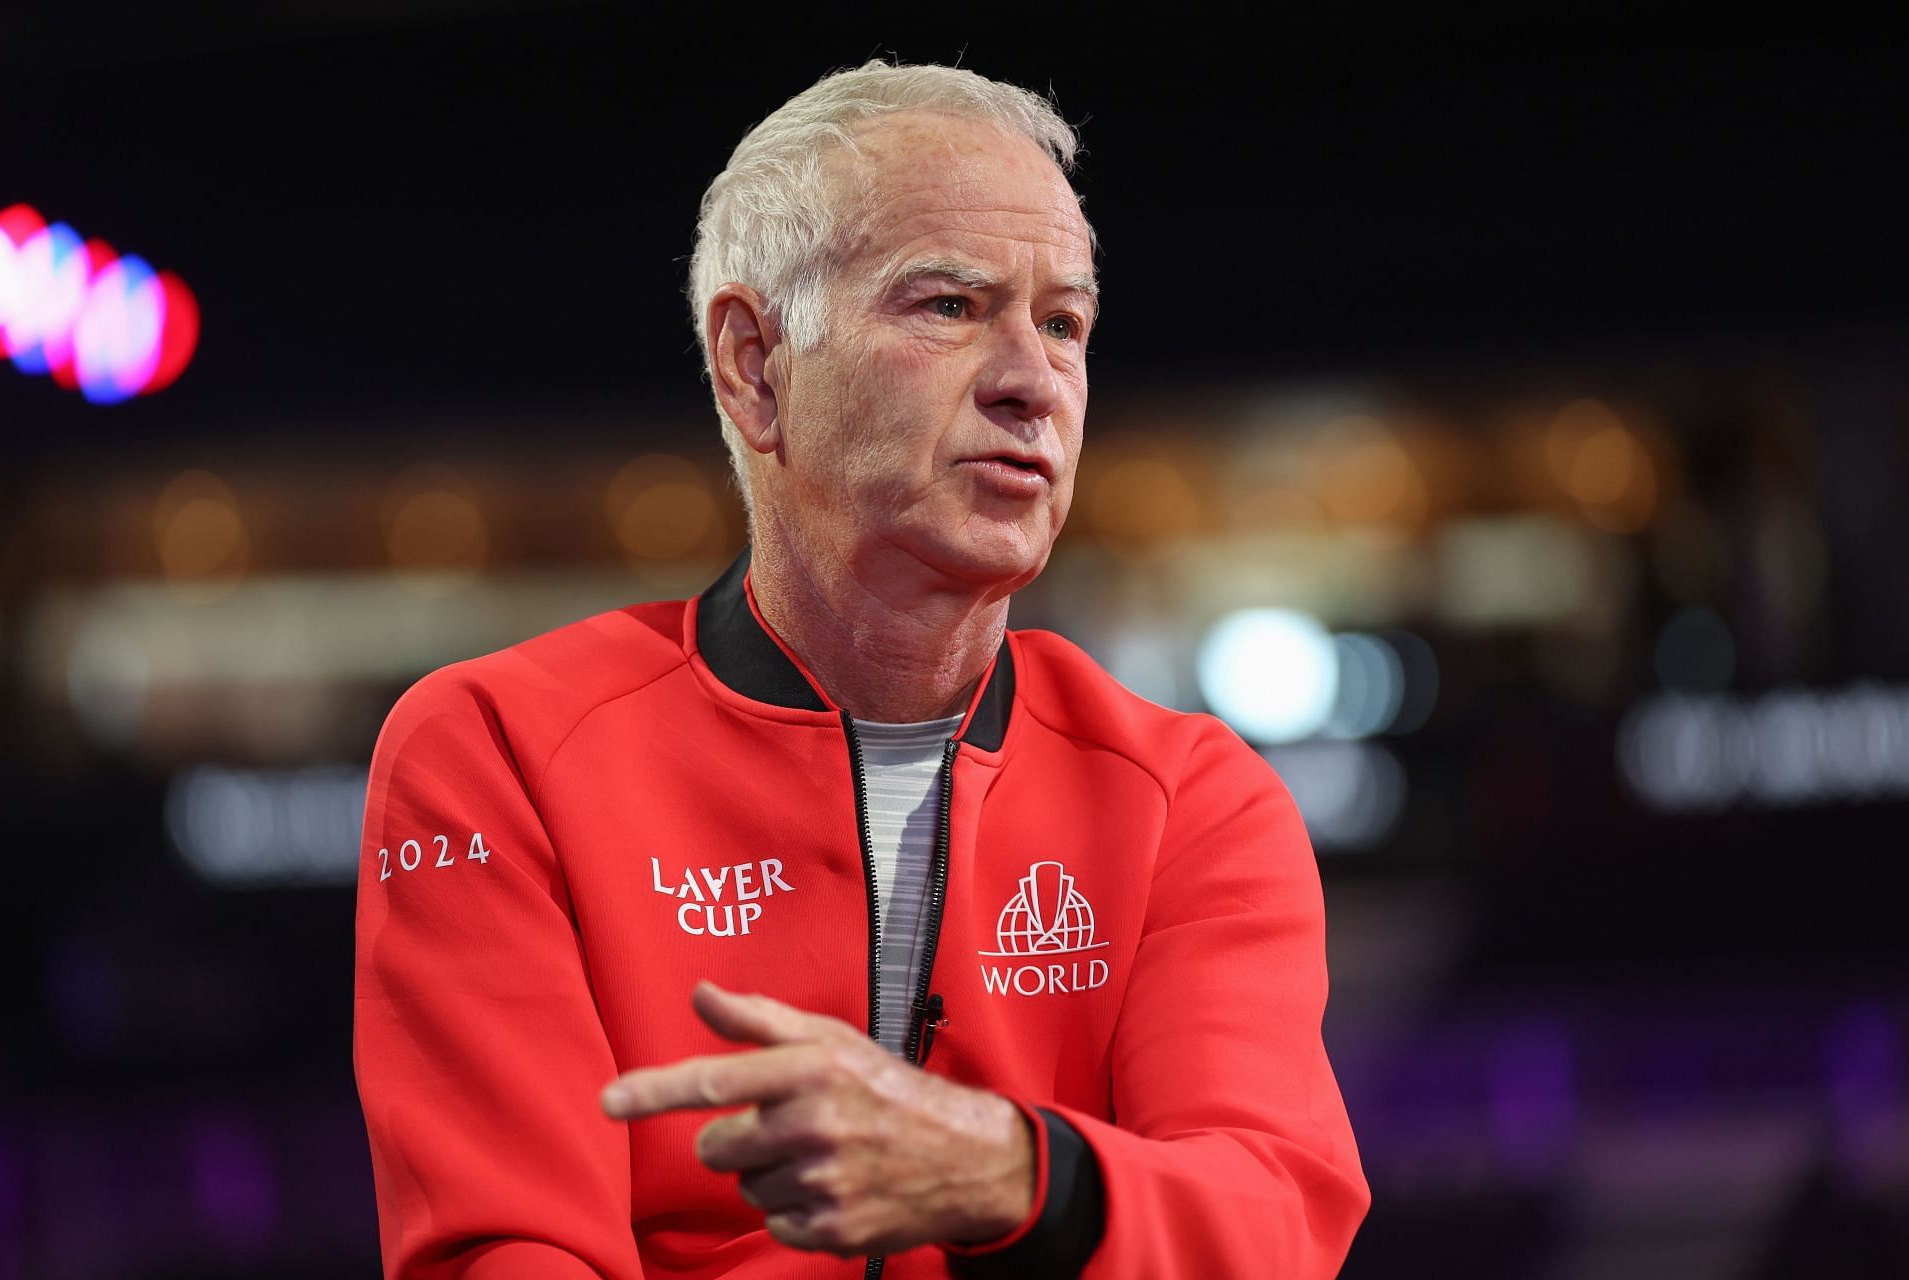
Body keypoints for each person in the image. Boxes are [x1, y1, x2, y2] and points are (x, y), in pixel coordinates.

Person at [354, 59, 1369, 1279]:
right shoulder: (497, 749)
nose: (1031, 380)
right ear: (754, 365)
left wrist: (1009, 1173)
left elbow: (1270, 1228)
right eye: (947, 305)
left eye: (1063, 322)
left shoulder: (1195, 798)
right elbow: (507, 1254)